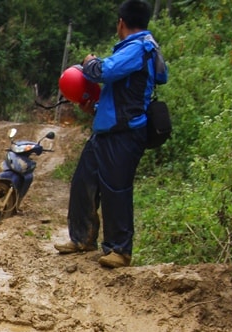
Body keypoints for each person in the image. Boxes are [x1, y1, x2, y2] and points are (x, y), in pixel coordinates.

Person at [54, 0, 168, 268]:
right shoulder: (134, 48)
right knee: (83, 183)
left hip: (125, 133)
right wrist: (92, 107)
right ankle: (82, 238)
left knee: (116, 190)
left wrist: (89, 61)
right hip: (107, 131)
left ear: (121, 22)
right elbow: (119, 94)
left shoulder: (140, 47)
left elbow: (103, 72)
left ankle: (119, 250)